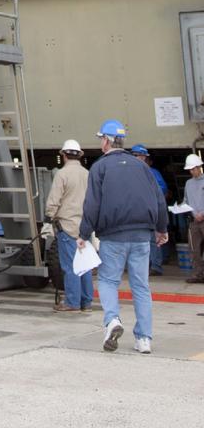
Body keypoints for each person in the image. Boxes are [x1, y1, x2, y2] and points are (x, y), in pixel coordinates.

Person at [78, 118, 168, 354]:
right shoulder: (142, 167)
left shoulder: (100, 167)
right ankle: (144, 339)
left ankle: (112, 320)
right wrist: (162, 229)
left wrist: (83, 234)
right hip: (141, 236)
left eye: (101, 139)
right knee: (141, 286)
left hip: (113, 236)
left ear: (106, 141)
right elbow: (158, 199)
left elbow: (92, 204)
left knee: (108, 280)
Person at [45, 139, 94, 313]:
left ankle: (72, 302)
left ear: (64, 155)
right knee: (84, 265)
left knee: (71, 266)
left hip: (67, 226)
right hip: (84, 227)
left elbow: (54, 199)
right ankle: (86, 301)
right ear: (79, 155)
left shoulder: (62, 174)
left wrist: (48, 217)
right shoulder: (87, 174)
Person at [129, 145, 168, 274]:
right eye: (133, 155)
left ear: (144, 157)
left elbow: (162, 190)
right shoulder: (128, 173)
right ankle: (141, 267)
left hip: (151, 211)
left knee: (153, 240)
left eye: (137, 156)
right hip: (135, 212)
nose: (135, 158)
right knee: (136, 240)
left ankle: (155, 267)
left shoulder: (153, 172)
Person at [182, 152, 204, 283]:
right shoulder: (188, 184)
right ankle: (198, 274)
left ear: (199, 167)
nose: (192, 171)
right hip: (194, 221)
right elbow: (186, 201)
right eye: (190, 169)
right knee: (194, 249)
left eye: (193, 168)